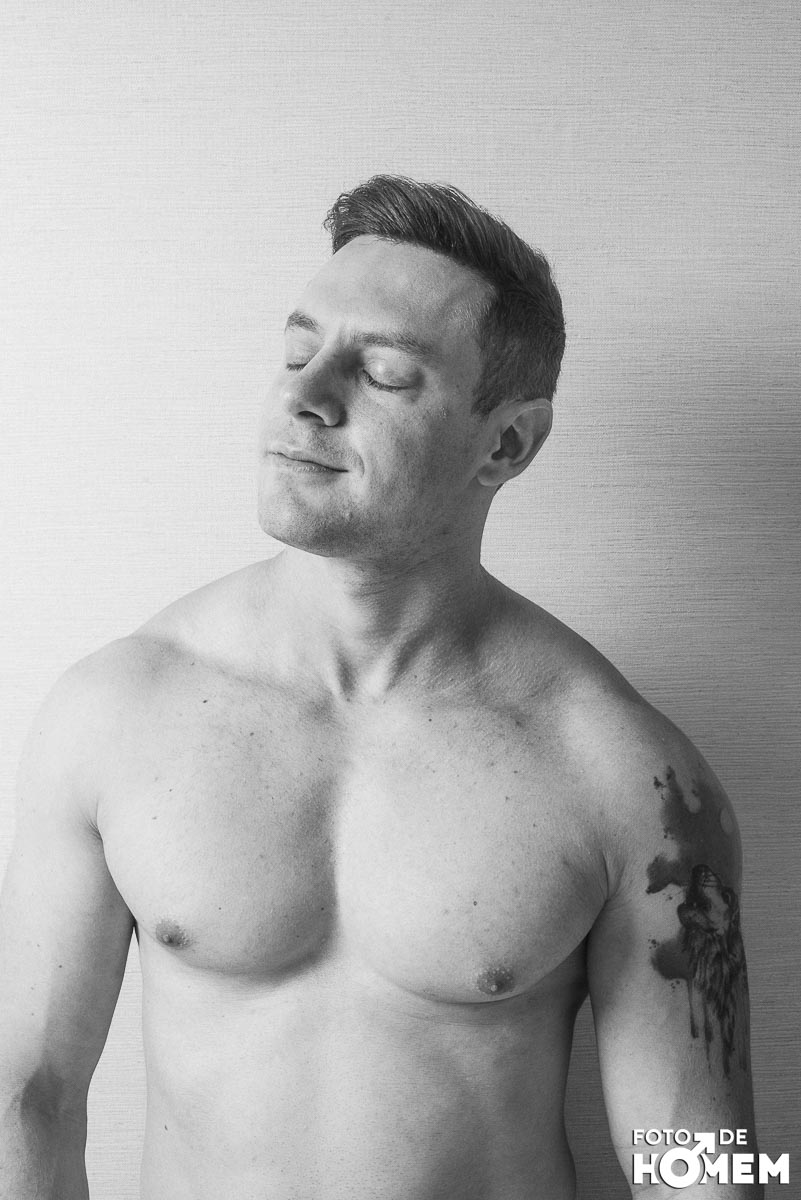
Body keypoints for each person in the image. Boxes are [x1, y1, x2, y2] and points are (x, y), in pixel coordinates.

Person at [0, 175, 760, 1199]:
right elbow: (29, 1094)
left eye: (385, 373)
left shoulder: (630, 776)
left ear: (507, 443)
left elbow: (702, 1163)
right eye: (295, 352)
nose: (304, 396)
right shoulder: (116, 712)